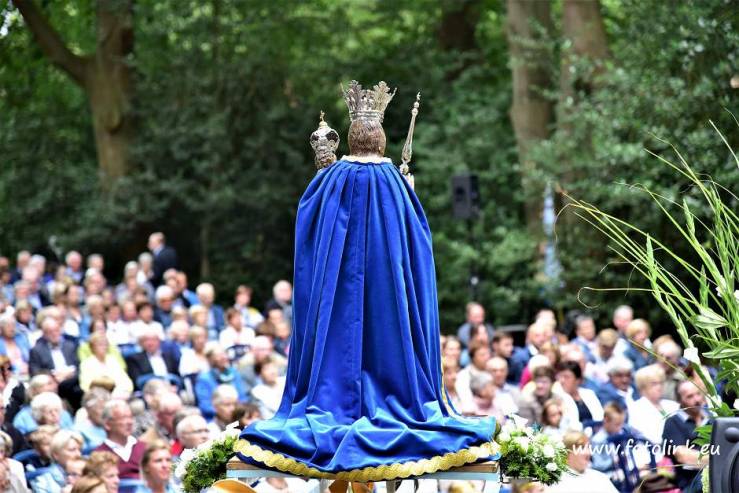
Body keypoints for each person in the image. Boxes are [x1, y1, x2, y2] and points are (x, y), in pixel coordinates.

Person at [238, 81, 499, 478]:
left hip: (337, 291)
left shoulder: (331, 180)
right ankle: (399, 398)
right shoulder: (396, 183)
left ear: (352, 135)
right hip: (388, 293)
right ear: (379, 138)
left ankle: (330, 399)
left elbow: (309, 226)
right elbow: (416, 247)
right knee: (388, 330)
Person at [662, 380, 710, 490]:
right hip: (691, 482)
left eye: (698, 394)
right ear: (680, 400)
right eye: (690, 396)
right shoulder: (673, 422)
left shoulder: (711, 418)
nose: (697, 400)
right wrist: (717, 460)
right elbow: (683, 456)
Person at [28, 316, 81, 408]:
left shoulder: (70, 346)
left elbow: (78, 367)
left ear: (60, 330)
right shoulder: (36, 350)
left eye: (56, 330)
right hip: (52, 383)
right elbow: (35, 372)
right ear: (44, 334)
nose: (54, 334)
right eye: (50, 332)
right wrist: (54, 377)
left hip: (71, 382)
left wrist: (69, 375)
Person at [546, 431, 618, 493]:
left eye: (588, 447)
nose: (589, 453)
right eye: (582, 448)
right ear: (567, 453)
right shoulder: (556, 483)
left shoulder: (599, 477)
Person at [627, 364, 679, 446]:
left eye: (661, 383)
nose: (659, 387)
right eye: (654, 384)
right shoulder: (636, 408)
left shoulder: (672, 404)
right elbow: (647, 436)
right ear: (643, 387)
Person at [95, 400, 147, 479]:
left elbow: (170, 469)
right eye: (123, 418)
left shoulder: (145, 448)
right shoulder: (99, 455)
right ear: (107, 424)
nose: (129, 422)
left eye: (130, 417)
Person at [195, 345, 247, 419]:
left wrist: (237, 411)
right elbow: (205, 406)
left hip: (238, 415)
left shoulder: (234, 373)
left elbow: (243, 397)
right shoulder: (204, 379)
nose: (223, 357)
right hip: (216, 418)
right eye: (218, 355)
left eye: (224, 354)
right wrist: (224, 412)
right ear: (210, 359)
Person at [79, 332, 133, 397]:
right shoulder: (87, 363)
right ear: (92, 347)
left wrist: (122, 392)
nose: (104, 347)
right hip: (98, 396)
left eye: (105, 344)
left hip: (119, 394)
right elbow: (86, 386)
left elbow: (126, 381)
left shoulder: (113, 360)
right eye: (100, 344)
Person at [555, 361, 603, 431]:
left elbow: (600, 417)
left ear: (578, 380)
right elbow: (568, 425)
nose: (562, 380)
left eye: (566, 377)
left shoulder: (589, 394)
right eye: (560, 377)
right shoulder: (557, 397)